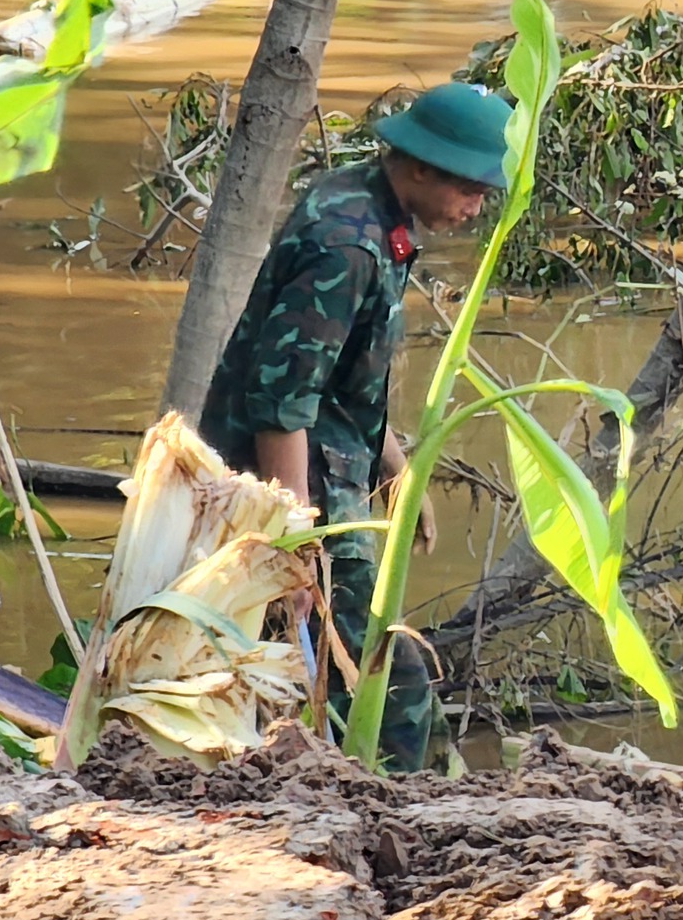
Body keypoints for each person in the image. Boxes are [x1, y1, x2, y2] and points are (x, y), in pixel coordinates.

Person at [197, 82, 512, 774]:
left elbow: (341, 381)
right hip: (288, 483)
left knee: (331, 663)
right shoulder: (345, 247)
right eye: (469, 189)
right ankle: (392, 800)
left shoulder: (369, 207)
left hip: (331, 466)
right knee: (388, 674)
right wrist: (295, 541)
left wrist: (396, 468)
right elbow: (281, 403)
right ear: (421, 168)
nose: (475, 208)